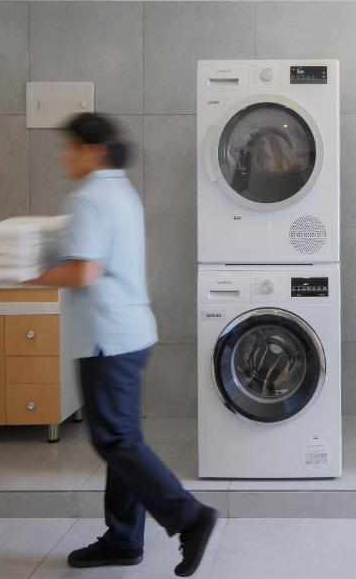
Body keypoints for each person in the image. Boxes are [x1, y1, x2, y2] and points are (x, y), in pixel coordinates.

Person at [29, 112, 216, 577]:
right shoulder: (121, 191)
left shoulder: (89, 197)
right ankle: (123, 538)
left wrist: (29, 275)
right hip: (131, 331)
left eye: (69, 148)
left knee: (114, 439)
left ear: (93, 150)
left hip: (106, 338)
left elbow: (84, 270)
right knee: (123, 441)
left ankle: (189, 518)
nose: (65, 157)